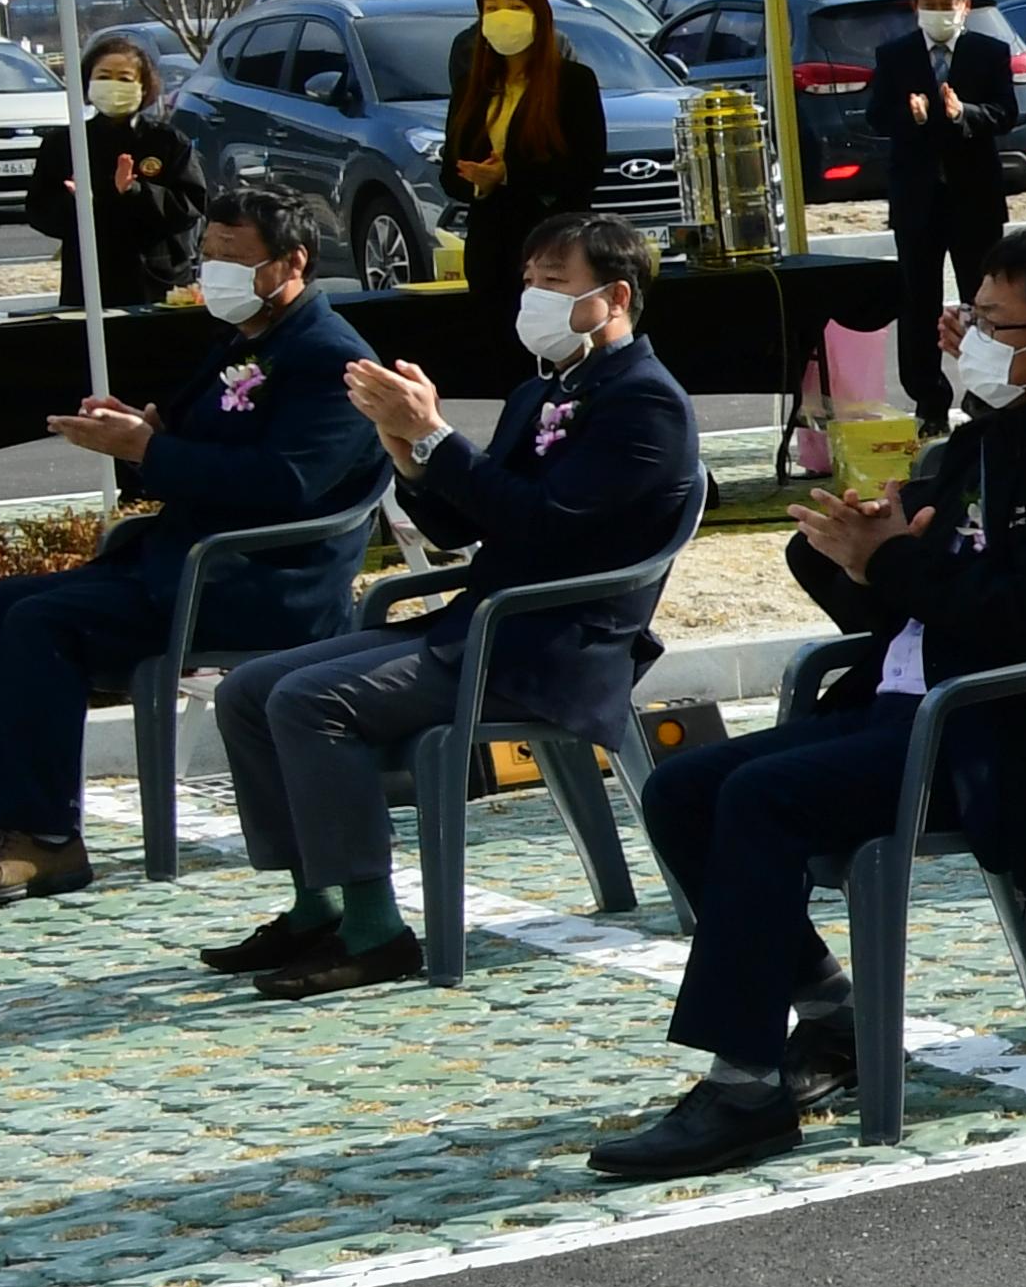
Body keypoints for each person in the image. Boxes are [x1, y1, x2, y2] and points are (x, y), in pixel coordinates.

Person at [597, 223, 1026, 1182]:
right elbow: (901, 603)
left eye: (994, 323)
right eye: (969, 317)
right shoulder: (976, 446)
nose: (966, 339)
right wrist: (848, 554)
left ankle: (744, 1086)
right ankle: (831, 1013)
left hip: (1001, 734)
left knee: (762, 800)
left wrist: (899, 560)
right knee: (683, 791)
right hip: (904, 714)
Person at [200, 215, 705, 997]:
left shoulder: (646, 405)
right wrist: (406, 450)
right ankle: (317, 903)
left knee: (310, 702)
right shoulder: (540, 389)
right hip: (484, 623)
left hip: (553, 645)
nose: (532, 296)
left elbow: (547, 527)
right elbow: (462, 522)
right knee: (248, 690)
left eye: (555, 283)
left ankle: (375, 930)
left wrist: (437, 437)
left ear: (615, 298)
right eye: (529, 280)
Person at [0, 188, 385, 907]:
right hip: (182, 560)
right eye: (210, 255)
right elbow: (192, 437)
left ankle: (45, 838)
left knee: (44, 624)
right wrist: (136, 427)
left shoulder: (327, 359)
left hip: (255, 581)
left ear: (292, 262)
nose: (214, 271)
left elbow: (284, 482)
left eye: (234, 259)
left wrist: (150, 450)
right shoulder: (243, 339)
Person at [870, 0, 1024, 417]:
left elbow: (1006, 113)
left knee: (986, 297)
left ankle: (988, 394)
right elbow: (876, 116)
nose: (939, 13)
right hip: (917, 197)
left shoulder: (989, 51)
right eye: (930, 5)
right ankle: (928, 400)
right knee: (918, 300)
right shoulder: (894, 55)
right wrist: (912, 117)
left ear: (966, 6)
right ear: (915, 7)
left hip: (973, 195)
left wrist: (963, 115)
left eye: (948, 5)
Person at [434, 0, 606, 331]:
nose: (502, 16)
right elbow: (450, 174)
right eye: (492, 8)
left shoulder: (573, 82)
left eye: (515, 6)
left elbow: (587, 167)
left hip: (555, 246)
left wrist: (510, 174)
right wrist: (479, 181)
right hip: (491, 251)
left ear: (538, 16)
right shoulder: (471, 88)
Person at [20, 28, 200, 310]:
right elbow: (39, 210)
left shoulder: (167, 141)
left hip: (155, 275)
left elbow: (191, 206)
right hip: (90, 276)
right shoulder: (65, 143)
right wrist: (75, 202)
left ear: (143, 87)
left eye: (124, 79)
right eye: (103, 77)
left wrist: (135, 190)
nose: (113, 85)